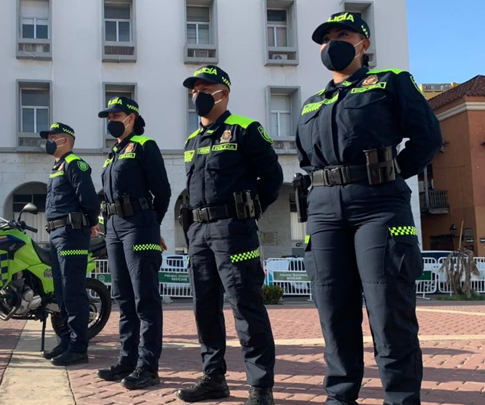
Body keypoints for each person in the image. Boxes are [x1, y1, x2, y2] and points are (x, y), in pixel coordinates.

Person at [296, 12, 443, 405]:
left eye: (342, 35)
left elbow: (427, 135)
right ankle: (340, 397)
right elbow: (306, 159)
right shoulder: (312, 103)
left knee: (387, 309)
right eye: (325, 39)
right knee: (333, 309)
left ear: (363, 43)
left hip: (378, 205)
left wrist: (393, 172)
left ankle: (399, 398)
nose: (332, 44)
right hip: (325, 209)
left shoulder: (391, 82)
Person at [177, 65, 283, 405]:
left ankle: (260, 386)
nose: (198, 95)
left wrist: (246, 212)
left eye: (205, 88)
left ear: (224, 92)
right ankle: (213, 378)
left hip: (233, 231)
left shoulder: (245, 130)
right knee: (204, 308)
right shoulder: (192, 141)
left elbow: (272, 179)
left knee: (245, 306)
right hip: (199, 233)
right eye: (194, 90)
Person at [95, 97, 171, 390]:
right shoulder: (113, 153)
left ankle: (148, 366)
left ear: (131, 117)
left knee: (145, 300)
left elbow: (162, 190)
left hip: (139, 226)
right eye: (109, 116)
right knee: (124, 299)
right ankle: (127, 360)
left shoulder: (144, 145)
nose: (111, 119)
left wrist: (153, 225)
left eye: (117, 114)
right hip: (113, 229)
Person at [39, 122, 100, 366]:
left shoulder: (75, 163)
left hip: (72, 232)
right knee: (62, 291)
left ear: (65, 140)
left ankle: (78, 347)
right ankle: (66, 341)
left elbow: (88, 198)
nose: (49, 140)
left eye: (53, 136)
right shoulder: (57, 167)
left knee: (73, 290)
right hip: (56, 234)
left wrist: (92, 222)